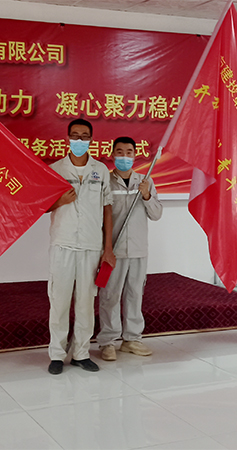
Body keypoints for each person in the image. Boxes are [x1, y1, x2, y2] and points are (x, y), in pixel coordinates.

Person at [46, 118, 115, 375]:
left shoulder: (101, 170)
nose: (79, 140)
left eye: (84, 136)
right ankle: (56, 354)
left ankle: (81, 353)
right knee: (60, 301)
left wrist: (108, 248)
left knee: (86, 302)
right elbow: (42, 206)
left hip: (91, 245)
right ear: (68, 137)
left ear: (91, 140)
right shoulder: (56, 169)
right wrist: (60, 201)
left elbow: (107, 209)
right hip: (63, 244)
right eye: (75, 135)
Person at [97, 137, 162, 361]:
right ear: (112, 154)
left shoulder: (145, 181)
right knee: (110, 295)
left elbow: (156, 214)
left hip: (138, 249)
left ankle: (132, 339)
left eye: (128, 152)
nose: (124, 156)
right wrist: (103, 248)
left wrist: (146, 195)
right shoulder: (106, 181)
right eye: (120, 152)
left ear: (135, 155)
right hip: (112, 250)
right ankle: (107, 341)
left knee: (135, 295)